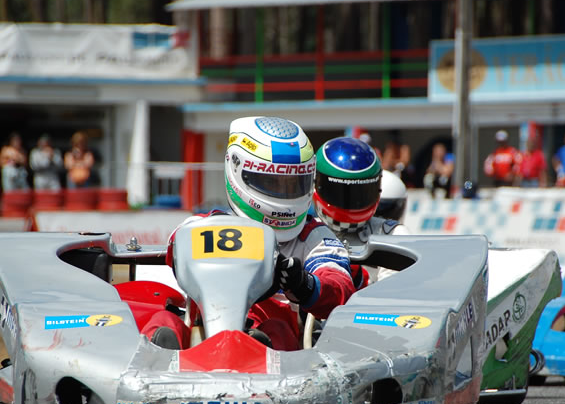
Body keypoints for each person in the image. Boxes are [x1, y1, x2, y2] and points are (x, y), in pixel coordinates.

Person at [144, 116, 355, 351]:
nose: (283, 194)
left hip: (274, 345)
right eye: (271, 182)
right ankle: (154, 363)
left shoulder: (313, 236)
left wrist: (304, 284)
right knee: (163, 321)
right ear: (238, 170)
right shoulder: (204, 226)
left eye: (292, 184)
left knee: (278, 330)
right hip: (204, 339)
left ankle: (255, 353)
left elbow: (340, 288)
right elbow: (175, 245)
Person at [312, 136, 411, 288]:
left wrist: (360, 282)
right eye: (340, 193)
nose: (351, 203)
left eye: (360, 194)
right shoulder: (303, 232)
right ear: (316, 184)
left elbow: (393, 296)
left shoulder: (393, 235)